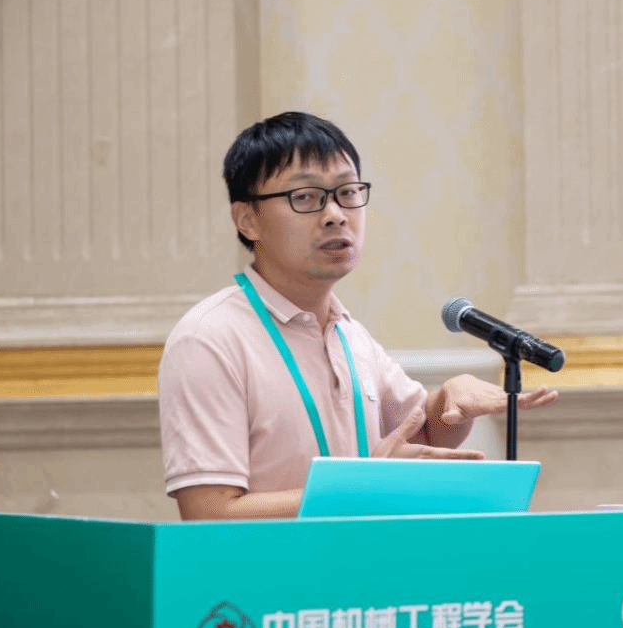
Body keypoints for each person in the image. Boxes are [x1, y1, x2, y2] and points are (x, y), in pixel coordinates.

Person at [158, 111, 557, 520]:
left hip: (358, 558)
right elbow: (208, 513)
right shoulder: (208, 339)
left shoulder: (348, 333)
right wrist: (363, 487)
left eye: (347, 192)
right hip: (272, 563)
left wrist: (450, 400)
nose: (336, 214)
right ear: (247, 220)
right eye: (305, 197)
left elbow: (422, 434)